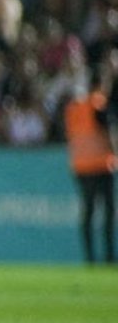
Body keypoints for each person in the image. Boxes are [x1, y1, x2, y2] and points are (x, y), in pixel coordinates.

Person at [64, 70, 116, 264]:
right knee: (108, 212)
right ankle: (109, 255)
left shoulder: (74, 107)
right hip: (101, 165)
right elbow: (108, 131)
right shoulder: (98, 103)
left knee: (88, 212)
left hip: (80, 166)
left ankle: (89, 257)